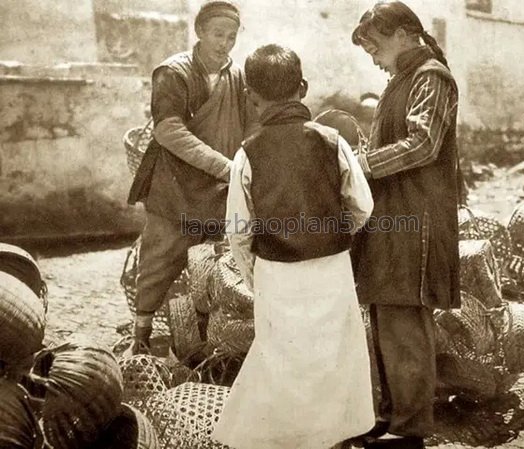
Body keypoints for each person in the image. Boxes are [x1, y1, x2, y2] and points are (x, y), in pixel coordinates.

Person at [212, 44, 375, 449]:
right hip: (332, 268)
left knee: (283, 359)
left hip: (277, 273)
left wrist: (253, 275)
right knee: (332, 357)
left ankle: (287, 440)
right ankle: (333, 437)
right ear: (302, 88)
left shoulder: (247, 153)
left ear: (251, 97)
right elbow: (363, 206)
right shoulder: (333, 141)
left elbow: (239, 229)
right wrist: (336, 236)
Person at [350, 2, 462, 448]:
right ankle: (390, 416)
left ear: (401, 34)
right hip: (394, 218)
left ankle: (410, 427)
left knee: (404, 321)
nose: (374, 59)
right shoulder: (402, 78)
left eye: (375, 48)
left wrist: (360, 165)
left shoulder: (431, 77)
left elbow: (422, 144)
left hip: (417, 221)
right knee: (384, 316)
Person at [126, 0, 256, 355]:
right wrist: (225, 167)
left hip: (219, 189)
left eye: (231, 36)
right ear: (199, 32)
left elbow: (250, 126)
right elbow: (169, 131)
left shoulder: (238, 76)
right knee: (159, 257)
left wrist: (248, 162)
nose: (224, 43)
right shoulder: (173, 72)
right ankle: (141, 334)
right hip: (176, 184)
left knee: (214, 265)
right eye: (217, 34)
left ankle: (205, 339)